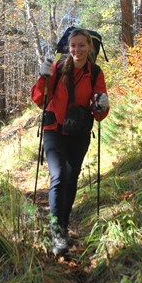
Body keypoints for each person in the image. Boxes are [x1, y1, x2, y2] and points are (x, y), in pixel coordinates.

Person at [31, 28, 110, 255]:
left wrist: (102, 104)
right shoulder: (57, 69)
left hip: (79, 132)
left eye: (82, 45)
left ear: (90, 48)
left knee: (72, 177)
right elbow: (39, 99)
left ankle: (63, 226)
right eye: (73, 45)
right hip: (54, 129)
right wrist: (42, 77)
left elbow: (99, 112)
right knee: (59, 175)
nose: (77, 49)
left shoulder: (95, 73)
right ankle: (56, 230)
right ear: (68, 47)